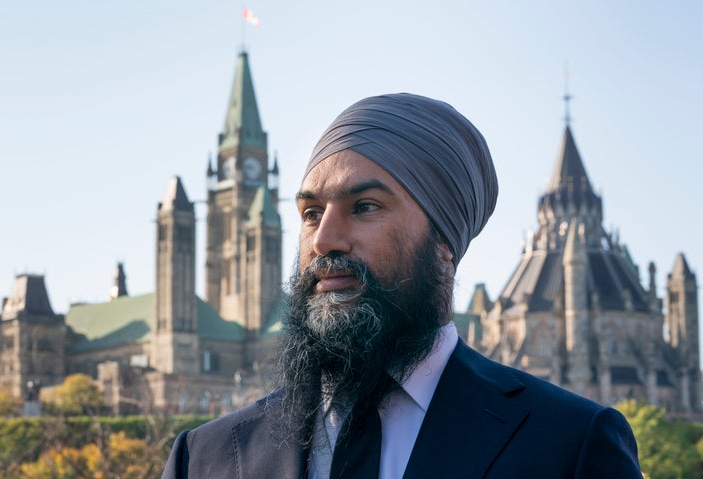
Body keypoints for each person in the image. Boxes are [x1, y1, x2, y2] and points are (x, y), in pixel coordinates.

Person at [162, 93, 642, 478]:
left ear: (444, 241)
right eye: (311, 214)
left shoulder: (571, 446)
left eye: (365, 206)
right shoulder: (204, 458)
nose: (324, 239)